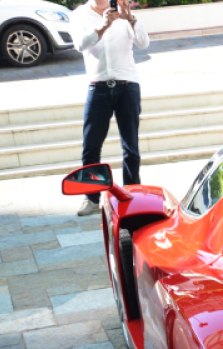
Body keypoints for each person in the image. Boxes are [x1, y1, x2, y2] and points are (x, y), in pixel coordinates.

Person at [71, 0, 148, 216]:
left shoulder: (124, 13)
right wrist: (103, 26)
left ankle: (132, 193)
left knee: (131, 146)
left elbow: (144, 42)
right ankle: (92, 198)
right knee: (90, 147)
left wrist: (131, 19)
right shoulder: (79, 15)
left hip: (127, 86)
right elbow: (80, 44)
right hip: (99, 87)